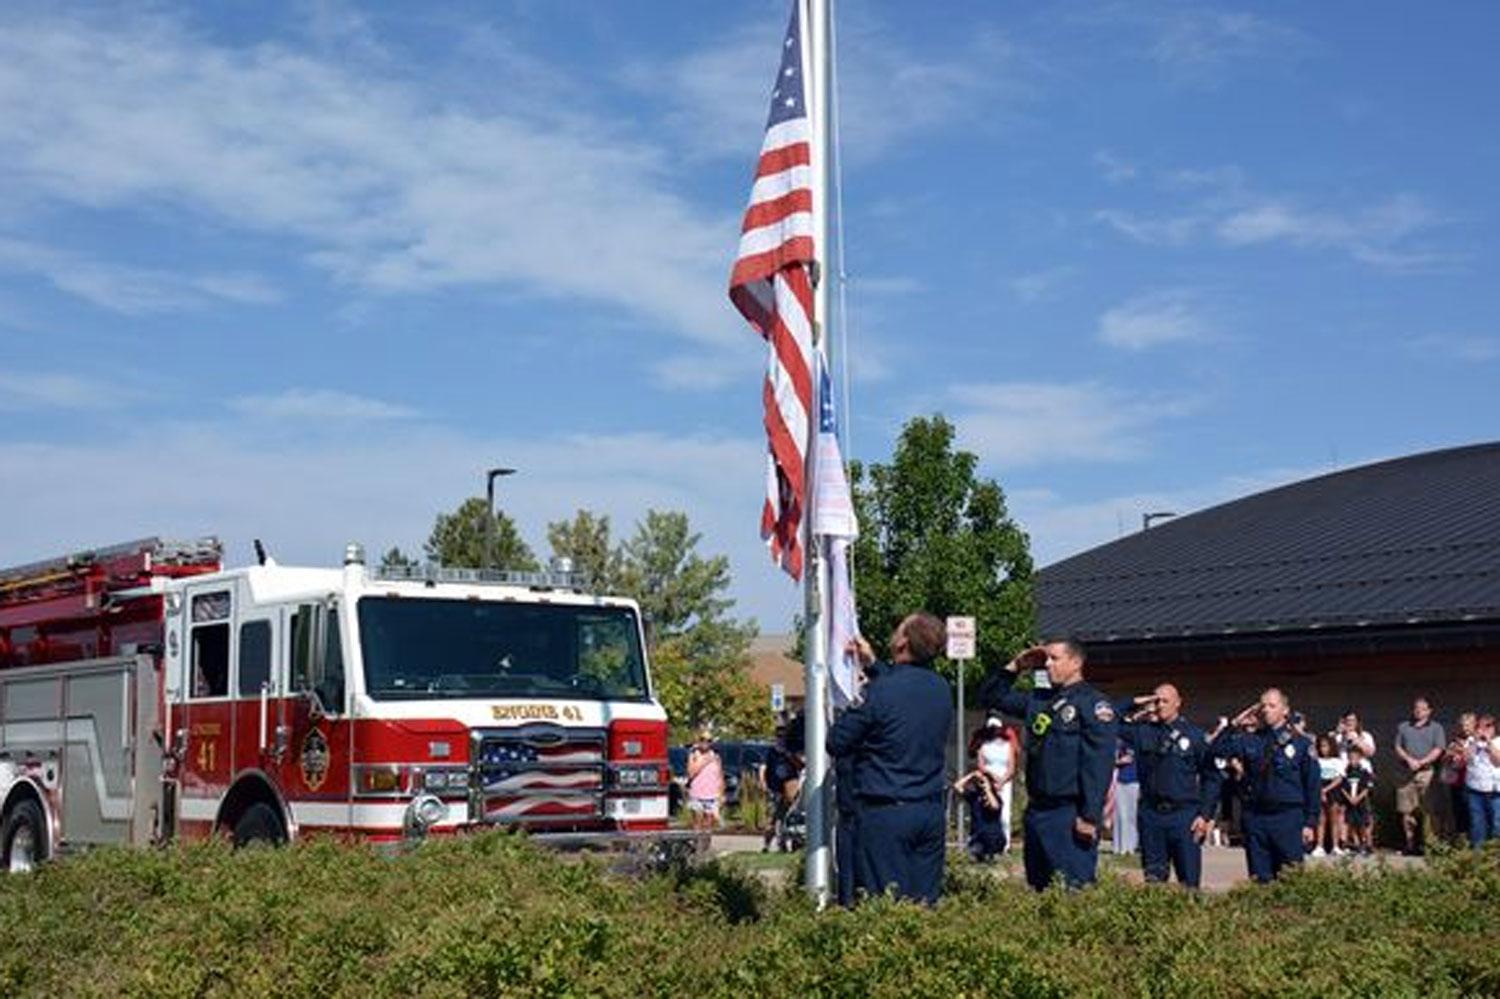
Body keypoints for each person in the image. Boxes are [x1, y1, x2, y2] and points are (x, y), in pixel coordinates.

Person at [828, 613, 953, 905]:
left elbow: (837, 741)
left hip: (886, 814)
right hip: (929, 812)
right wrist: (873, 665)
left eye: (898, 630)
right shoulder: (941, 689)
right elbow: (903, 690)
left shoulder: (879, 692)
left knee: (885, 906)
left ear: (903, 643)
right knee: (924, 906)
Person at [980, 638, 1117, 891]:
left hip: (1069, 812)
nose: (1047, 665)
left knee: (1072, 890)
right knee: (1039, 889)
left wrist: (1089, 815)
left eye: (1055, 659)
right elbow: (990, 696)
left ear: (1075, 663)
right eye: (1046, 659)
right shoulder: (1039, 700)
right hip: (1038, 811)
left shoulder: (1092, 704)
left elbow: (1097, 765)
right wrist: (1016, 666)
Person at [1114, 684, 1222, 887]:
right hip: (1151, 815)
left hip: (1184, 816)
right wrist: (1137, 701)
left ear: (1178, 703)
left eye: (1165, 701)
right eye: (1156, 701)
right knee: (1154, 881)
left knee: (1188, 882)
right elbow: (1109, 718)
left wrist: (1205, 815)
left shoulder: (1194, 736)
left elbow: (1212, 777)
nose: (1159, 705)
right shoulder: (1143, 732)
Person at [1211, 688, 1320, 883]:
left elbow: (1312, 785)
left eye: (1272, 705)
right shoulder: (1251, 740)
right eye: (1263, 706)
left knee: (1291, 879)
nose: (1266, 710)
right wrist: (1234, 724)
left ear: (1285, 710)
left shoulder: (1301, 744)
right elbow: (1216, 751)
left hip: (1287, 818)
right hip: (1256, 817)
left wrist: (1310, 822)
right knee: (1260, 879)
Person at [1394, 697, 1446, 855]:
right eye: (1416, 708)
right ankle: (1410, 844)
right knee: (1406, 811)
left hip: (1426, 772)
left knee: (1429, 810)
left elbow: (1439, 749)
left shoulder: (1437, 728)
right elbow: (1398, 747)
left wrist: (1422, 761)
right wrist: (1409, 759)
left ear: (1429, 711)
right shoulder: (1403, 726)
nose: (1419, 711)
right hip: (1406, 773)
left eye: (1423, 708)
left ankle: (1431, 844)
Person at [975, 717, 1018, 852]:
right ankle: (986, 843)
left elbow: (1011, 767)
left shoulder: (1007, 746)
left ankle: (1005, 844)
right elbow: (981, 765)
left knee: (1004, 813)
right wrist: (991, 778)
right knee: (986, 811)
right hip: (988, 782)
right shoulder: (983, 746)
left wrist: (1002, 781)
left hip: (1004, 782)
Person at [761, 724, 803, 852]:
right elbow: (763, 768)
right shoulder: (771, 752)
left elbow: (800, 765)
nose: (781, 738)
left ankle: (788, 843)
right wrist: (764, 783)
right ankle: (767, 845)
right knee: (774, 817)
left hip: (790, 787)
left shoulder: (790, 751)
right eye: (779, 736)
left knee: (789, 816)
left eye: (783, 736)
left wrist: (789, 754)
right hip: (775, 787)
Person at [954, 767, 1006, 861]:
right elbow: (957, 787)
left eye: (983, 782)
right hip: (978, 838)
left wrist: (988, 789)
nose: (981, 784)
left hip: (994, 838)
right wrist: (972, 775)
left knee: (990, 859)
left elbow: (995, 806)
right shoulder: (974, 797)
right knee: (974, 855)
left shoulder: (996, 797)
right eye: (979, 782)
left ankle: (991, 856)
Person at [1463, 714, 1500, 848]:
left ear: (1494, 728)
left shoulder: (1498, 741)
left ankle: (1495, 855)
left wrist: (1489, 742)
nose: (1484, 729)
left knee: (1497, 825)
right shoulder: (1470, 740)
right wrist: (1475, 742)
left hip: (1496, 791)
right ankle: (1478, 859)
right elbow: (1466, 759)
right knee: (1477, 825)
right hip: (1475, 790)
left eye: (1488, 726)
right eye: (1481, 726)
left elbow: (1498, 762)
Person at [1441, 712, 1477, 845]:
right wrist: (1449, 755)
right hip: (1457, 782)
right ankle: (1463, 842)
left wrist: (1463, 751)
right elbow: (1444, 760)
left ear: (1474, 725)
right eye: (1462, 725)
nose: (1464, 728)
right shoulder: (1454, 741)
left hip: (1474, 782)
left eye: (1468, 725)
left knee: (1473, 813)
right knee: (1458, 812)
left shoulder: (1478, 741)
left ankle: (1475, 842)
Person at [1338, 745, 1374, 854]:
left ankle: (1367, 844)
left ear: (1360, 758)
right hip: (1350, 802)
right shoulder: (1346, 772)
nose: (1353, 761)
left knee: (1363, 823)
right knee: (1351, 823)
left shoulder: (1364, 772)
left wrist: (1358, 798)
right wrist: (1349, 798)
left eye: (1355, 758)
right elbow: (1342, 787)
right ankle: (1356, 843)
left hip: (1361, 802)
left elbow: (1367, 788)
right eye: (1350, 758)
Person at [686, 730, 724, 832]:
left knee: (708, 823)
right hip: (697, 793)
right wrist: (704, 761)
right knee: (697, 822)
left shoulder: (716, 756)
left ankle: (706, 845)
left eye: (708, 740)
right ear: (699, 741)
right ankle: (697, 845)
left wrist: (721, 794)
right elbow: (691, 773)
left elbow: (720, 776)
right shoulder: (694, 755)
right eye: (703, 739)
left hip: (712, 794)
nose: (705, 742)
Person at [1314, 734, 1345, 857]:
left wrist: (1326, 790)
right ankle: (1319, 846)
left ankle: (1335, 846)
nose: (1323, 749)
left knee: (1334, 819)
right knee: (1321, 820)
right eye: (1321, 746)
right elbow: (1314, 777)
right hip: (1319, 789)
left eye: (1326, 746)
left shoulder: (1337, 761)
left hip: (1333, 790)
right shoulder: (1317, 761)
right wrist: (1320, 791)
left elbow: (1339, 779)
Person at [1110, 738, 1140, 855]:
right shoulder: (1120, 743)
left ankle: (1130, 847)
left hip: (1134, 781)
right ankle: (1118, 847)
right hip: (1119, 780)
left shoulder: (1139, 742)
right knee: (1119, 815)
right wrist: (1119, 761)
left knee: (1131, 815)